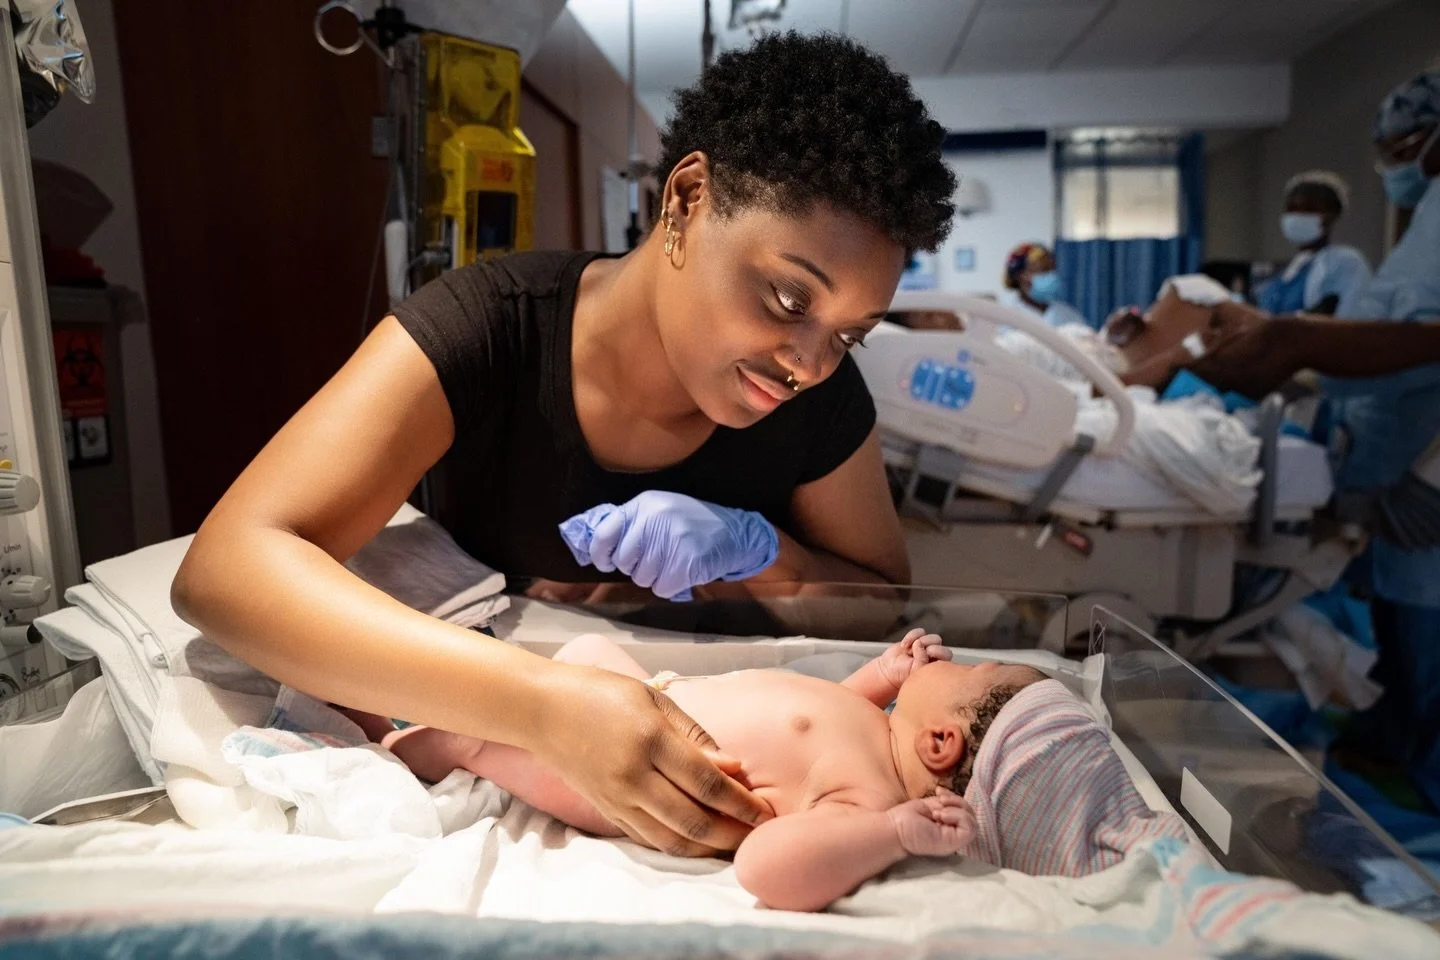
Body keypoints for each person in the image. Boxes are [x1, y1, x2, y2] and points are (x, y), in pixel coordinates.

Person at [170, 32, 957, 859]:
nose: (811, 364)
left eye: (850, 335)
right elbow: (223, 572)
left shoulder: (823, 398)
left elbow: (876, 600)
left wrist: (756, 552)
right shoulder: (486, 331)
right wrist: (545, 706)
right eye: (790, 299)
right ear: (687, 199)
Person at [355, 629, 1185, 912]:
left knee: (479, 738)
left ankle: (402, 751)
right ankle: (402, 721)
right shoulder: (873, 727)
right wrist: (882, 676)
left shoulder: (869, 800)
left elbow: (767, 865)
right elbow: (817, 714)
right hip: (646, 698)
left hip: (632, 776)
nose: (951, 660)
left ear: (941, 745)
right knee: (577, 659)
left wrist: (892, 834)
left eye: (970, 672)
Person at [1162, 70, 1440, 808]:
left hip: (1418, 462)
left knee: (1426, 629)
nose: (1395, 162)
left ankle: (1423, 777)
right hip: (1381, 449)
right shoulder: (1425, 221)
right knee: (1403, 624)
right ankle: (1394, 744)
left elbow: (1410, 338)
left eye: (1404, 146)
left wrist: (1297, 342)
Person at [1255, 171, 1371, 316]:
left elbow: (1348, 321)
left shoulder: (1345, 264)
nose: (1297, 216)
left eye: (1309, 209)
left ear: (1331, 215)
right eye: (1292, 209)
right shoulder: (1287, 273)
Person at [1002, 243, 1088, 327]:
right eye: (1044, 270)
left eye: (1053, 269)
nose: (1051, 276)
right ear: (1020, 275)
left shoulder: (1069, 315)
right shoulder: (1004, 313)